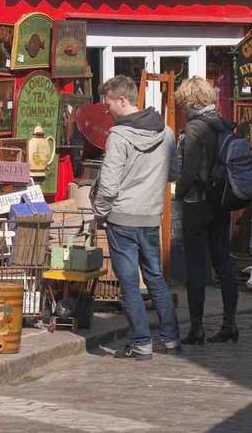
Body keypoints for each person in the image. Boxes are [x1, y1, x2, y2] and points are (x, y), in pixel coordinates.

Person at [91, 75, 181, 360]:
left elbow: (108, 183)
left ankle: (141, 343)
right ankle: (170, 340)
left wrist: (99, 213)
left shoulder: (118, 136)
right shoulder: (165, 132)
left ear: (122, 100)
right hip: (150, 216)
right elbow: (175, 172)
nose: (107, 110)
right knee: (155, 278)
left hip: (122, 218)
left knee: (129, 283)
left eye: (108, 104)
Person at [174, 76, 239, 345]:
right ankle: (229, 324)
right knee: (223, 260)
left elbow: (188, 172)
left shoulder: (195, 129)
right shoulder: (223, 125)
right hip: (221, 201)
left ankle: (197, 328)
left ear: (189, 101)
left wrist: (178, 192)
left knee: (196, 266)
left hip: (197, 203)